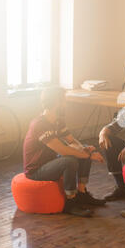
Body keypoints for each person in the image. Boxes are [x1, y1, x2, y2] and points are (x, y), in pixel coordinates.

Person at [23, 87, 106, 218]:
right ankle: (70, 203)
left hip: (50, 162)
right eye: (64, 101)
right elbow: (62, 149)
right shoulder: (40, 124)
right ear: (56, 102)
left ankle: (82, 193)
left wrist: (85, 150)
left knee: (81, 149)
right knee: (70, 160)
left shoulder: (57, 120)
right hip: (36, 171)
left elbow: (71, 140)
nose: (65, 104)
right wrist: (88, 155)